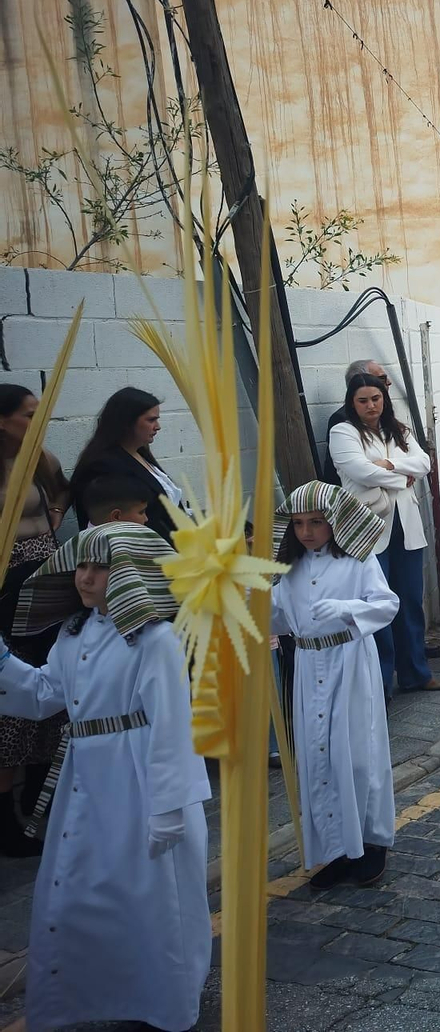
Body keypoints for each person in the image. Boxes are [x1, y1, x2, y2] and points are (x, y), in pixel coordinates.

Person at [4, 524, 209, 1031]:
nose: (85, 577)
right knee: (92, 891)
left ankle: (164, 1004)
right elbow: (45, 694)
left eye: (100, 567)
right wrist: (4, 663)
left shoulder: (154, 638)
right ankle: (106, 993)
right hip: (86, 778)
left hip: (139, 779)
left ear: (131, 576)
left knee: (149, 897)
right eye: (81, 565)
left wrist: (168, 806)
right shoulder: (74, 632)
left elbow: (170, 724)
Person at [271, 482, 398, 888]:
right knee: (318, 756)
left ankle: (372, 842)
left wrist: (347, 608)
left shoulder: (357, 561)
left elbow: (386, 604)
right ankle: (336, 849)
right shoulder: (288, 569)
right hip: (308, 666)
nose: (306, 532)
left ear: (336, 522)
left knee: (359, 753)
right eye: (297, 523)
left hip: (348, 662)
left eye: (316, 522)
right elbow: (273, 616)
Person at [328, 372, 440, 697]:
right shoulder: (343, 431)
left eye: (375, 399)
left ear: (384, 399)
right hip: (368, 529)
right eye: (362, 400)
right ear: (352, 402)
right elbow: (359, 471)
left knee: (409, 602)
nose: (370, 405)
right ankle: (379, 683)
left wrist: (388, 465)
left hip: (405, 527)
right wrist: (401, 476)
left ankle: (415, 673)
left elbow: (423, 463)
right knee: (376, 604)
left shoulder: (399, 429)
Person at [0, 385, 68, 856]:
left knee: (53, 690)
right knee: (13, 708)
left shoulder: (40, 456)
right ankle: (5, 820)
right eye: (28, 415)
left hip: (45, 575)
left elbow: (61, 488)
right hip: (8, 585)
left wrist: (56, 513)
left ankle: (36, 799)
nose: (36, 421)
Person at [69, 386, 188, 543]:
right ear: (127, 422)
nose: (157, 426)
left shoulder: (139, 454)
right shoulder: (104, 466)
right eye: (151, 420)